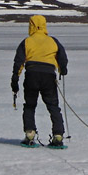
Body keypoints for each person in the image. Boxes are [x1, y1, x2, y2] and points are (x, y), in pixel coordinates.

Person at [11, 15, 68, 148]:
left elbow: (18, 62)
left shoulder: (27, 41)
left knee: (30, 106)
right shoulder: (52, 41)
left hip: (31, 75)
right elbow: (62, 57)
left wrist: (15, 79)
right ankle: (58, 136)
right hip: (49, 76)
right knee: (53, 106)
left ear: (31, 25)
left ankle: (30, 134)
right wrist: (62, 69)